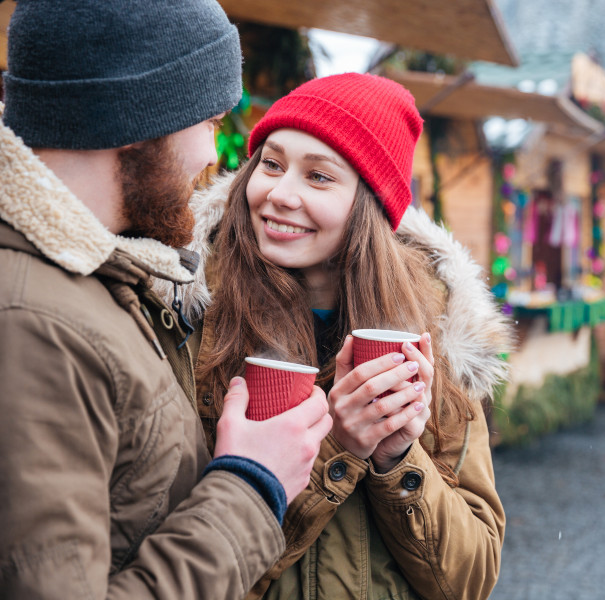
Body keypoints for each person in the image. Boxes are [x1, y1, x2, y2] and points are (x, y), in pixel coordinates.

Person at [0, 1, 332, 597]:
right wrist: (252, 484)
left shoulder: (94, 280)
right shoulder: (34, 322)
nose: (214, 156)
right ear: (137, 115)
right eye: (210, 122)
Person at [184, 73, 513, 599]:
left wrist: (397, 458)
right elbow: (181, 570)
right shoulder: (191, 316)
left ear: (369, 204)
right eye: (272, 164)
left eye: (318, 176)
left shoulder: (434, 334)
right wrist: (340, 446)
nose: (279, 194)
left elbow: (469, 582)